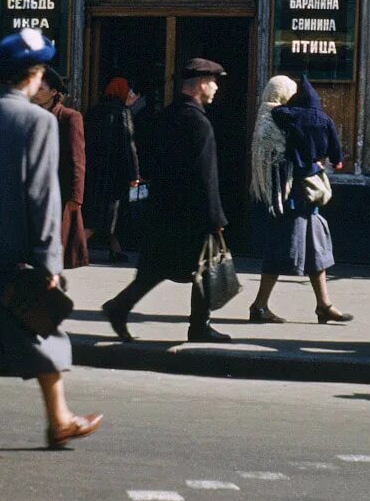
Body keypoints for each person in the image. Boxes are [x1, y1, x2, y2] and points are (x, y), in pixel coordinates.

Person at [0, 29, 102, 460]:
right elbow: (43, 196)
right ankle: (59, 418)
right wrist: (50, 262)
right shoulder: (40, 121)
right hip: (16, 252)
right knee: (41, 327)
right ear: (33, 74)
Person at [103, 58, 233, 344]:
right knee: (205, 265)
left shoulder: (167, 115)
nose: (216, 88)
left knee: (155, 268)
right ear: (200, 84)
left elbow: (150, 157)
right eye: (213, 82)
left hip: (164, 207)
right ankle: (199, 326)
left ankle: (119, 307)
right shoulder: (199, 123)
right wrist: (215, 218)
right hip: (191, 212)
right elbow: (205, 176)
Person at [246, 76, 352, 324]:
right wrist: (311, 164)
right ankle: (259, 305)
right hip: (289, 197)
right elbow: (279, 160)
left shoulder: (281, 116)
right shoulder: (271, 121)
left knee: (316, 250)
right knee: (282, 248)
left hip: (302, 196)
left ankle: (323, 305)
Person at [34, 67, 88, 270]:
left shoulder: (69, 117)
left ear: (54, 92)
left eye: (41, 89)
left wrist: (76, 196)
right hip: (32, 192)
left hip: (58, 193)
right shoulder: (31, 115)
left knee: (54, 247)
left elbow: (77, 158)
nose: (35, 93)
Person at [84, 77, 140, 264]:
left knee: (103, 214)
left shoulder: (94, 112)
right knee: (105, 216)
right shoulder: (123, 113)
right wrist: (134, 174)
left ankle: (116, 249)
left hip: (93, 171)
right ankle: (71, 247)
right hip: (114, 175)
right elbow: (128, 145)